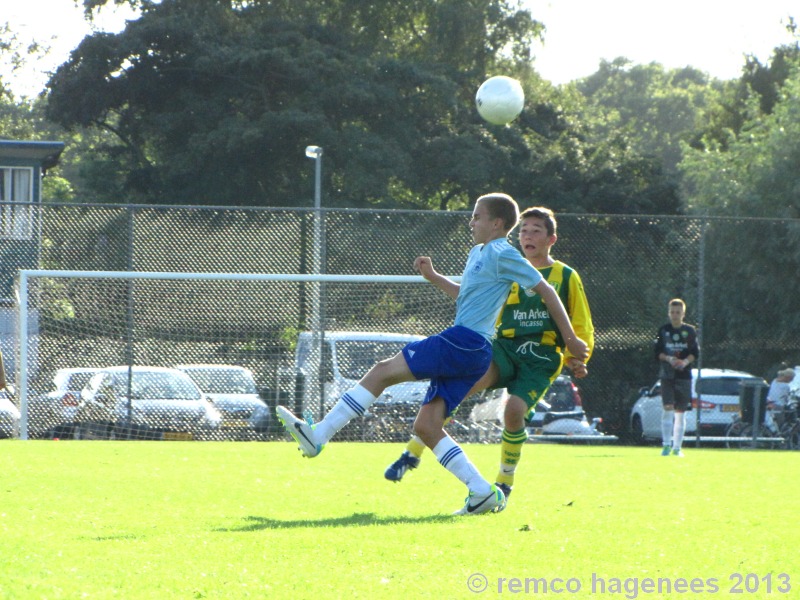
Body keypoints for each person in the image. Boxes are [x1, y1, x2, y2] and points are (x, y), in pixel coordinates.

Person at [276, 193, 589, 515]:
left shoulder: (503, 253)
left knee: (382, 370)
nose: (471, 222)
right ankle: (482, 492)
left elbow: (546, 290)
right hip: (474, 350)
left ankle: (319, 435)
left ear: (496, 224)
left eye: (477, 216)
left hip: (465, 341)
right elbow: (466, 296)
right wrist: (435, 278)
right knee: (427, 425)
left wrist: (571, 339)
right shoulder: (478, 253)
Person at [384, 206, 595, 507]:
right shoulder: (508, 264)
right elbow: (469, 295)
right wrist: (433, 277)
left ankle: (504, 483)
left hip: (541, 356)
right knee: (459, 388)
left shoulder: (564, 276)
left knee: (513, 412)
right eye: (524, 230)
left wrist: (578, 355)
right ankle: (411, 453)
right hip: (504, 348)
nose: (527, 235)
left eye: (536, 230)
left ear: (551, 239)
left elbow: (580, 320)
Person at [654, 298, 699, 457]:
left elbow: (695, 353)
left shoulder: (690, 331)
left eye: (678, 312)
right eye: (672, 312)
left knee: (681, 411)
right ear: (669, 313)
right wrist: (669, 359)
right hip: (667, 375)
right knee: (668, 408)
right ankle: (666, 446)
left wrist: (685, 361)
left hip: (684, 376)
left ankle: (677, 448)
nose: (675, 315)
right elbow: (657, 353)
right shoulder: (663, 330)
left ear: (683, 314)